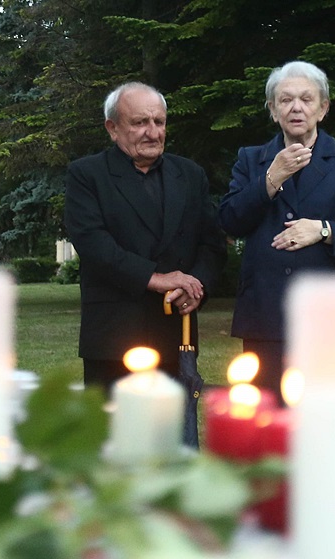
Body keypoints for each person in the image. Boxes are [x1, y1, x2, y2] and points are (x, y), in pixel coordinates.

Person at [219, 61, 335, 397]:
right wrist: (272, 177)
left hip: (331, 318)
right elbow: (229, 221)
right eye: (285, 100)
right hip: (266, 315)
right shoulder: (252, 159)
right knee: (268, 423)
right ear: (273, 109)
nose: (296, 107)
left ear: (323, 108)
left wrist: (324, 230)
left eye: (307, 99)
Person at [65, 82, 227, 391]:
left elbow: (212, 244)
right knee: (113, 436)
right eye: (140, 122)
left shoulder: (191, 175)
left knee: (170, 437)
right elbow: (92, 244)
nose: (153, 132)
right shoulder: (87, 175)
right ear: (112, 128)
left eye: (159, 122)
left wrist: (196, 287)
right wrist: (155, 278)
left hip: (175, 335)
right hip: (114, 337)